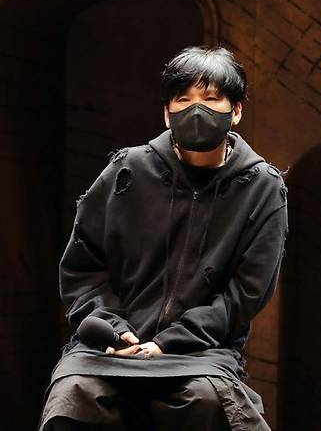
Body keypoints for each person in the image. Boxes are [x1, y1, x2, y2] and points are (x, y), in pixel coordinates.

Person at [38, 46, 288, 431]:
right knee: (73, 397)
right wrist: (113, 329)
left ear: (236, 110)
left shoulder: (262, 188)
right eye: (183, 100)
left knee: (207, 402)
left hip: (202, 351)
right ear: (167, 113)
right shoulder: (127, 171)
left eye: (211, 99)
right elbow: (83, 266)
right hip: (110, 345)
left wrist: (169, 342)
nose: (197, 110)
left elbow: (246, 292)